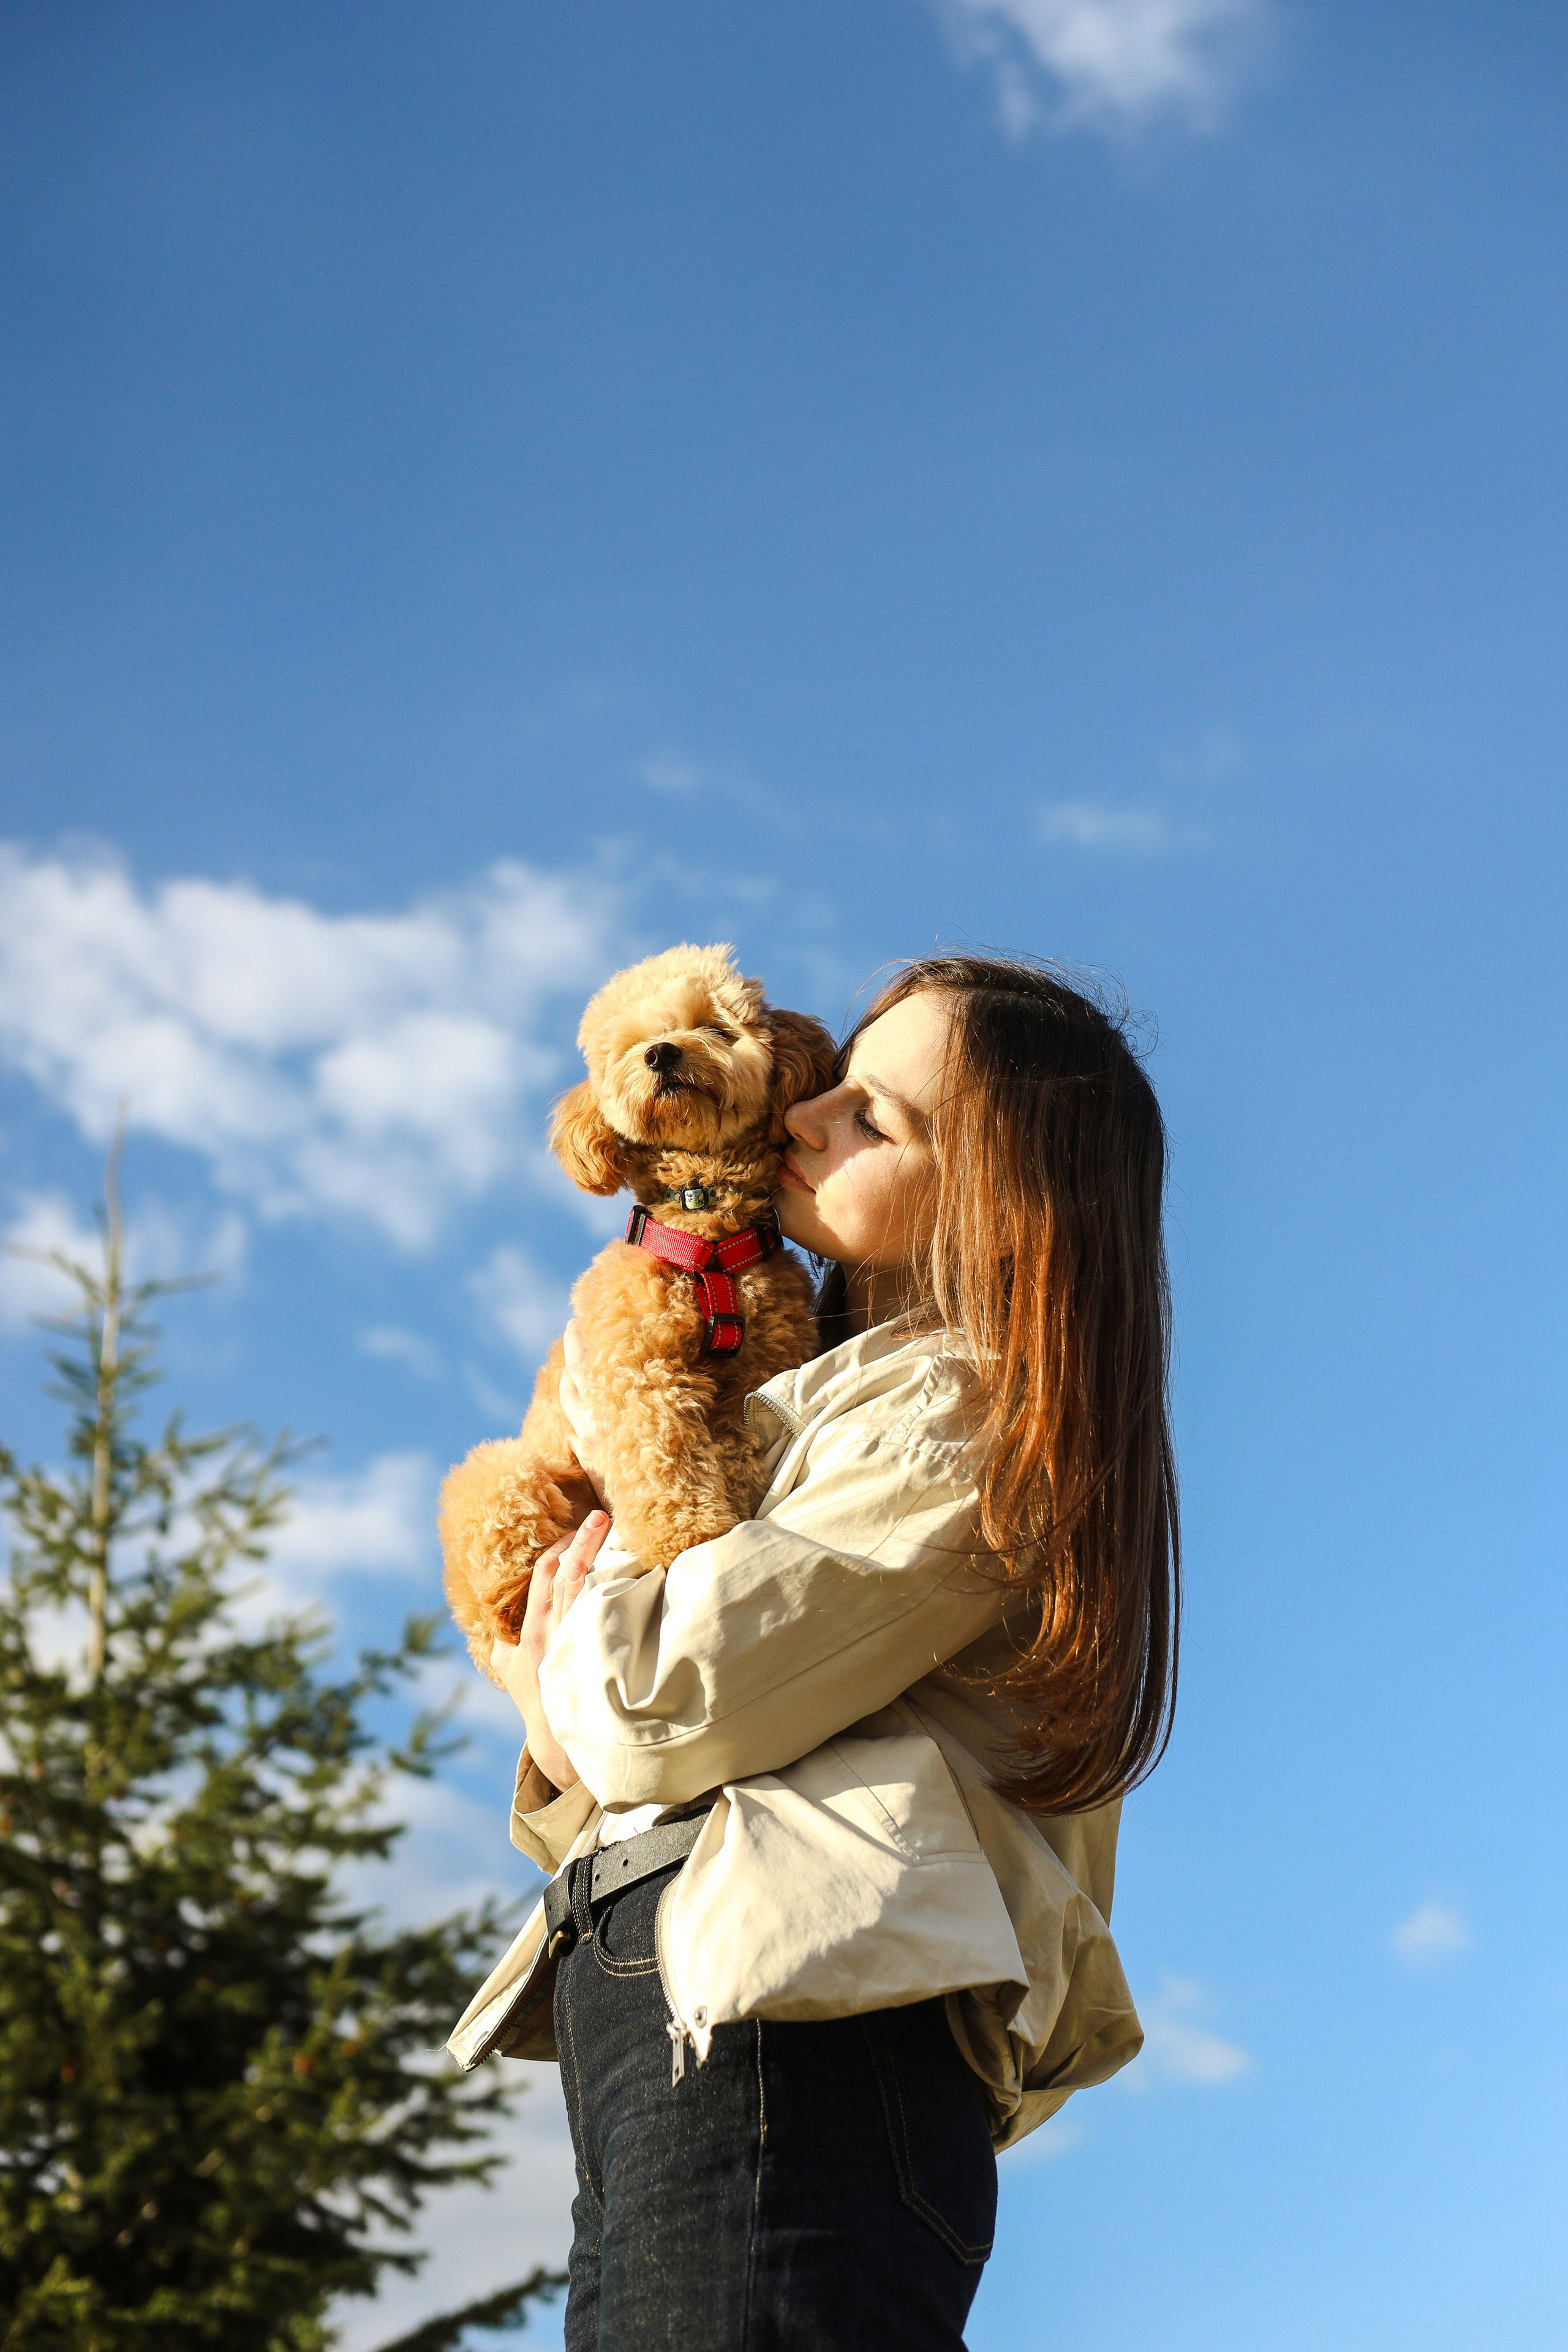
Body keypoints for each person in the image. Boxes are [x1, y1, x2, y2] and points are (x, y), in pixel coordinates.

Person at [448, 955, 1182, 2352]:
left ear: (1000, 1196)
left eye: (871, 1118)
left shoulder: (959, 1410)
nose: (803, 1117)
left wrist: (606, 1445)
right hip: (687, 2008)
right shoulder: (815, 1391)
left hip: (791, 2035)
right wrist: (556, 1715)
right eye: (826, 1085)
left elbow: (654, 1708)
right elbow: (604, 1750)